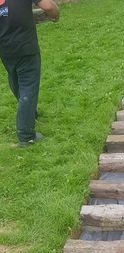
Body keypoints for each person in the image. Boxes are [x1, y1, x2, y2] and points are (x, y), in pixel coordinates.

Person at [0, 0, 59, 146]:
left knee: (14, 78)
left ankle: (30, 112)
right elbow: (49, 6)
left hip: (5, 48)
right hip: (25, 46)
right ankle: (26, 136)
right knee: (28, 85)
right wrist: (55, 15)